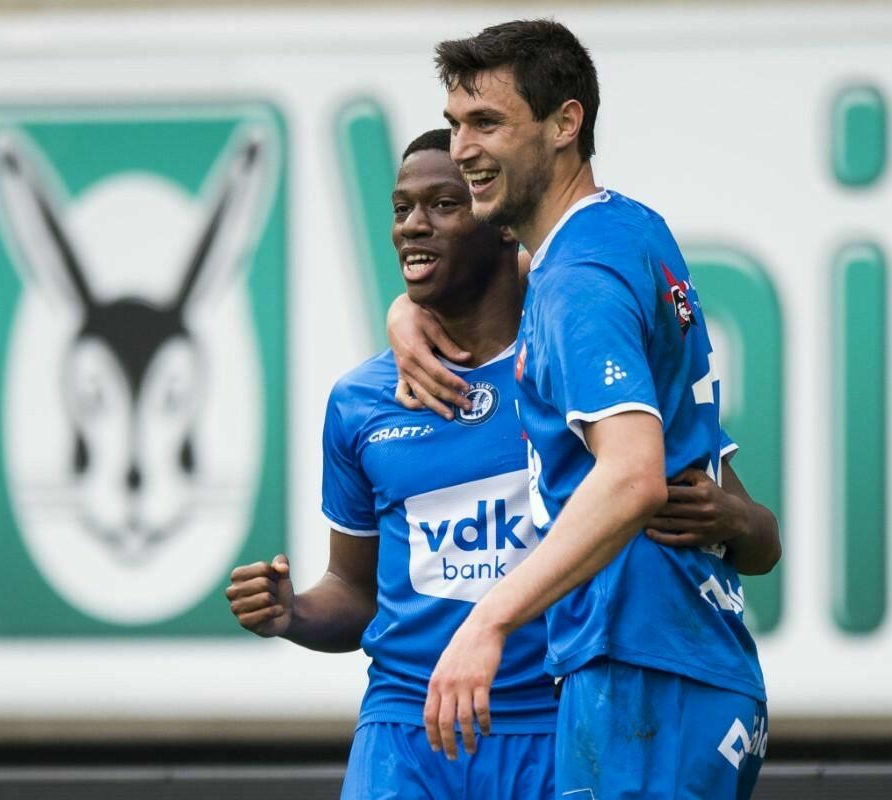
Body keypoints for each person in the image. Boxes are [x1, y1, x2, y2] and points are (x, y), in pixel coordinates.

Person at [227, 128, 779, 799]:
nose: (412, 226)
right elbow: (354, 590)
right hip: (405, 732)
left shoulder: (575, 360)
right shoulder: (360, 401)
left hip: (553, 722)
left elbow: (760, 538)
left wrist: (734, 520)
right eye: (401, 208)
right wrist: (293, 614)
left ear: (502, 227)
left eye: (443, 205)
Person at [391, 19, 773, 799]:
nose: (463, 149)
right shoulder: (625, 229)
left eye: (487, 122)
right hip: (685, 666)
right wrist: (408, 311)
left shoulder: (577, 278)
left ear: (566, 123)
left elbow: (631, 477)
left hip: (642, 670)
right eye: (456, 124)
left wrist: (488, 620)